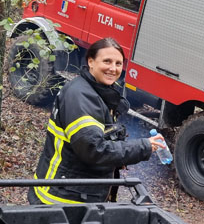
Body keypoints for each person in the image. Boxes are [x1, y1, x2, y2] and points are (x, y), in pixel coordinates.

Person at [28, 37, 165, 204]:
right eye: (107, 61)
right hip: (62, 199)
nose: (113, 69)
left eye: (118, 63)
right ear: (90, 62)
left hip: (76, 192)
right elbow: (93, 149)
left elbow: (98, 139)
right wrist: (143, 146)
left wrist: (118, 156)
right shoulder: (80, 96)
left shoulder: (97, 91)